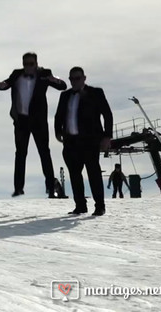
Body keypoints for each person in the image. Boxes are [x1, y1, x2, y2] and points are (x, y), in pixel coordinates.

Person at [0, 52, 67, 197]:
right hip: (21, 121)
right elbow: (7, 83)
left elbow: (63, 86)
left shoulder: (44, 73)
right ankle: (18, 187)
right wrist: (2, 85)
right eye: (25, 64)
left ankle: (49, 186)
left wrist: (55, 79)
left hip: (38, 121)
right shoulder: (16, 74)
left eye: (31, 63)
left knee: (44, 152)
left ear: (36, 63)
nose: (28, 66)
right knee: (20, 154)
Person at [54, 67, 113, 216]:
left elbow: (107, 114)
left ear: (84, 78)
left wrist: (107, 136)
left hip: (90, 141)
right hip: (70, 142)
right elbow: (58, 116)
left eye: (77, 78)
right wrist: (58, 132)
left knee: (93, 173)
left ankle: (100, 206)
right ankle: (80, 205)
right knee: (74, 174)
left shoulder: (95, 93)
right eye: (72, 79)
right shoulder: (65, 95)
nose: (74, 81)